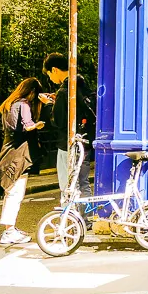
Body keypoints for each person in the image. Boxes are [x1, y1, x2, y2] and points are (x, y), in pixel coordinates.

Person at [0, 78, 49, 244]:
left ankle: (10, 229)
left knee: (11, 192)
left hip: (8, 151)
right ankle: (9, 231)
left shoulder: (9, 104)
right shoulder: (23, 104)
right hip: (19, 155)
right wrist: (36, 124)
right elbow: (27, 125)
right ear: (32, 92)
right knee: (16, 193)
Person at [42, 53, 95, 202]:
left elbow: (58, 121)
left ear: (54, 70)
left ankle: (69, 220)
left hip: (68, 144)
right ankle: (85, 220)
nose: (50, 79)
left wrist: (48, 104)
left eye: (49, 75)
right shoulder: (82, 86)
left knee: (67, 184)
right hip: (85, 142)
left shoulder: (64, 91)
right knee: (83, 183)